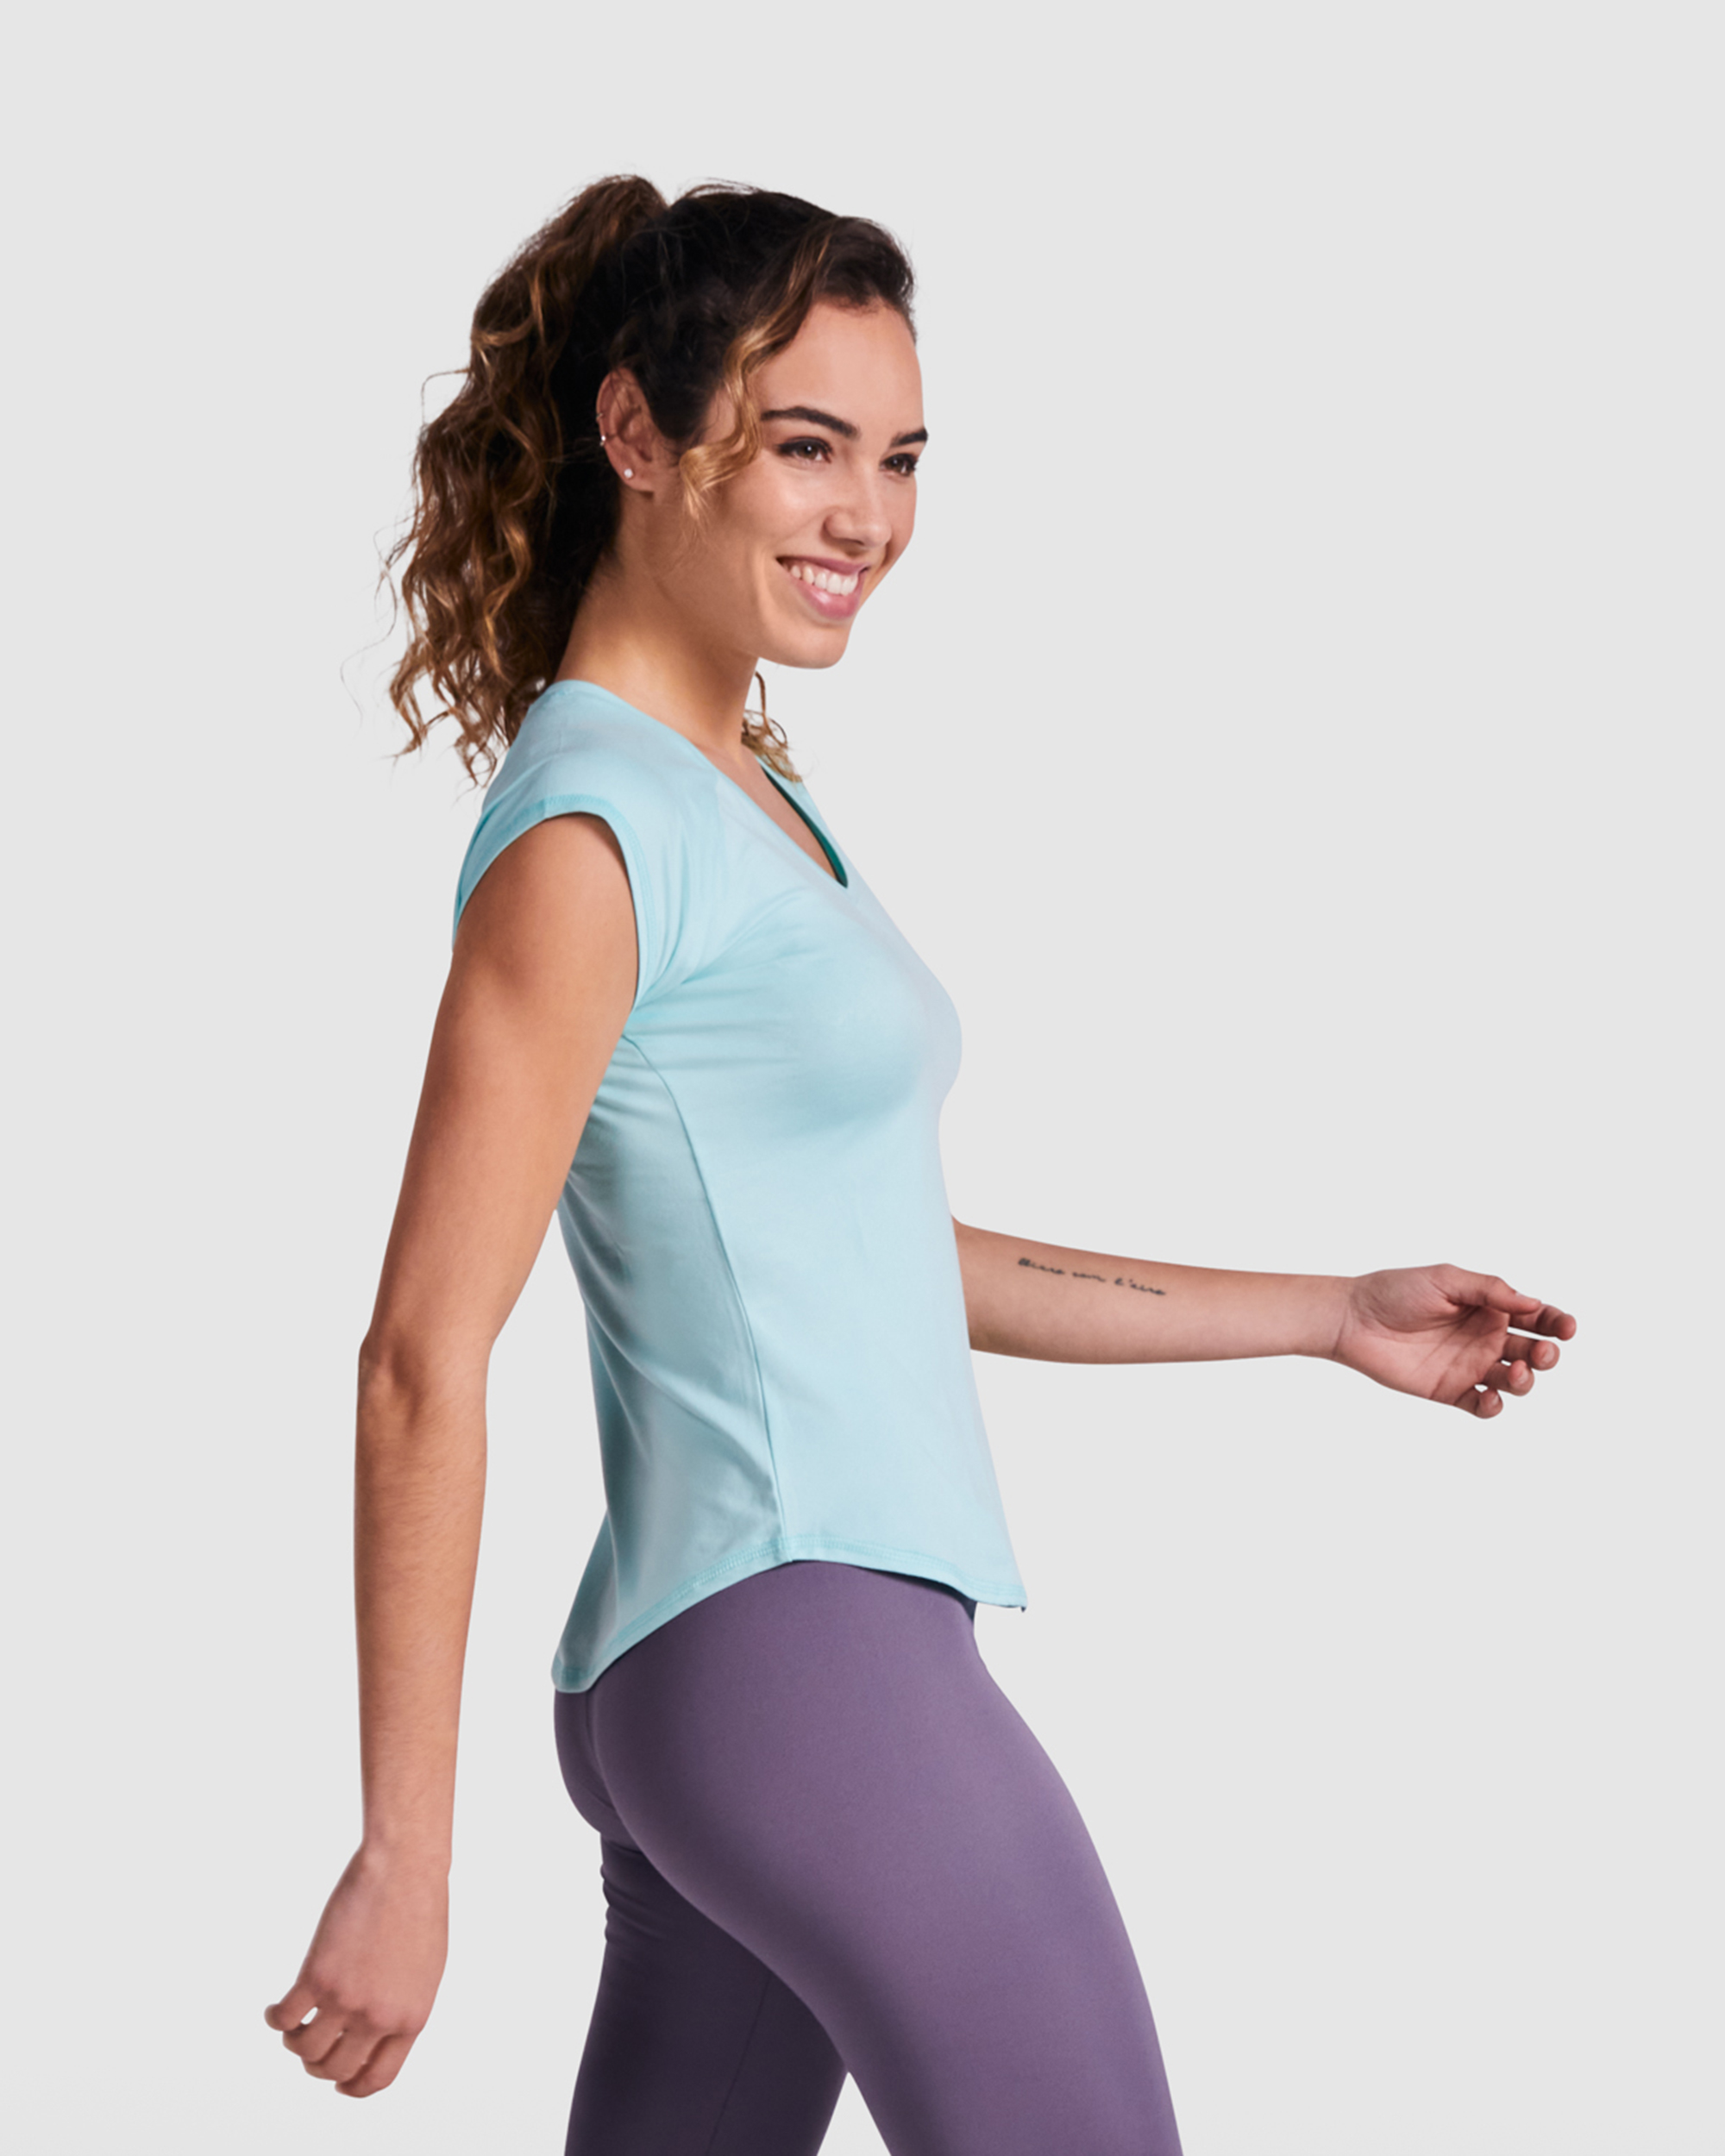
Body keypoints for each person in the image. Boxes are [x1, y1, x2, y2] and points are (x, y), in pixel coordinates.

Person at [263, 177, 1576, 2156]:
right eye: (806, 445)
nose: (864, 515)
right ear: (639, 435)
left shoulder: (734, 797)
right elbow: (417, 1357)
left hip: (726, 1661)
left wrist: (1329, 1314)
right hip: (799, 1651)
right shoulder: (597, 831)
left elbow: (877, 1248)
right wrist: (403, 1851)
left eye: (899, 458)